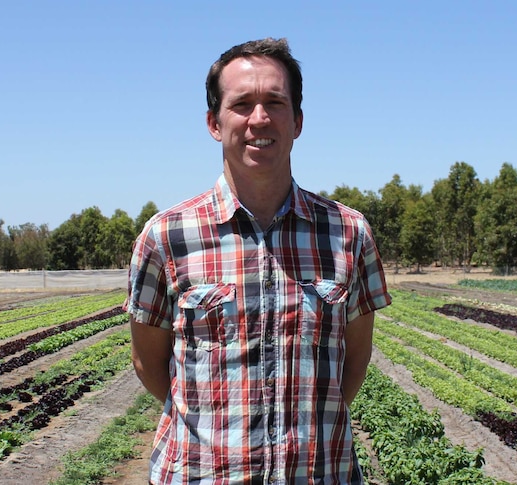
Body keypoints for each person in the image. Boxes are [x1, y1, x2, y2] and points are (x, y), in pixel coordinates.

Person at [125, 37, 392, 484]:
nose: (259, 118)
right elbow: (147, 363)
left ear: (298, 121)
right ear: (214, 122)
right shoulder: (166, 236)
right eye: (242, 104)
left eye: (275, 102)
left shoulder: (348, 233)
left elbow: (355, 358)